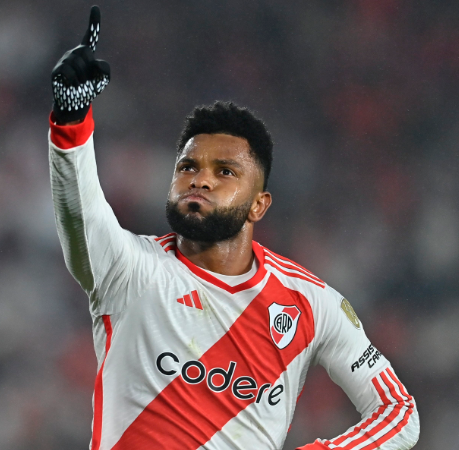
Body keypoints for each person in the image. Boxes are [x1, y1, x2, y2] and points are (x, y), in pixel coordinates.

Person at [47, 6, 419, 450]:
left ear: (259, 205)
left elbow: (398, 413)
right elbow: (79, 213)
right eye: (187, 166)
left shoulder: (311, 305)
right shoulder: (130, 270)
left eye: (225, 172)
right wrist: (70, 122)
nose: (199, 179)